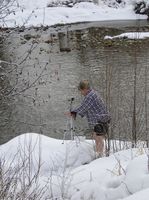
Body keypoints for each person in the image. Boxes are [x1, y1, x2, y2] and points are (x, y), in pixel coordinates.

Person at [66, 80, 111, 158]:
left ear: (85, 89)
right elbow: (85, 107)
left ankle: (99, 156)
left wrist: (73, 112)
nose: (81, 93)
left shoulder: (90, 96)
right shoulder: (92, 93)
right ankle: (99, 154)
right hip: (101, 118)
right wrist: (75, 112)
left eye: (81, 91)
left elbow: (84, 107)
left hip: (100, 119)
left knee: (98, 138)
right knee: (96, 137)